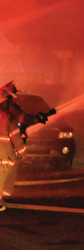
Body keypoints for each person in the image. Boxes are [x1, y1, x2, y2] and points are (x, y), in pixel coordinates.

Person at [0, 81, 26, 211]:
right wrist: (22, 152)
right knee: (2, 176)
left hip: (5, 155)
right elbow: (16, 137)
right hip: (4, 155)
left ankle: (3, 197)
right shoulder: (9, 118)